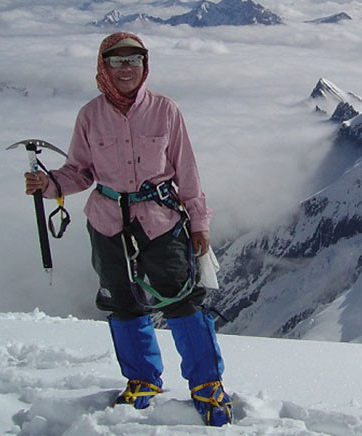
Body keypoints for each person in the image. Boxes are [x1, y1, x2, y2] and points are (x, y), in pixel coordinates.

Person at [23, 32, 233, 426]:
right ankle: (142, 379)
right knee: (123, 302)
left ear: (144, 65)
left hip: (161, 221)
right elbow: (79, 171)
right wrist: (49, 185)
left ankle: (207, 384)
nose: (126, 68)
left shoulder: (165, 110)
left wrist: (200, 223)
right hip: (107, 221)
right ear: (104, 66)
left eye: (134, 60)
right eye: (117, 61)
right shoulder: (90, 115)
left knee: (183, 300)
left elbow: (187, 171)